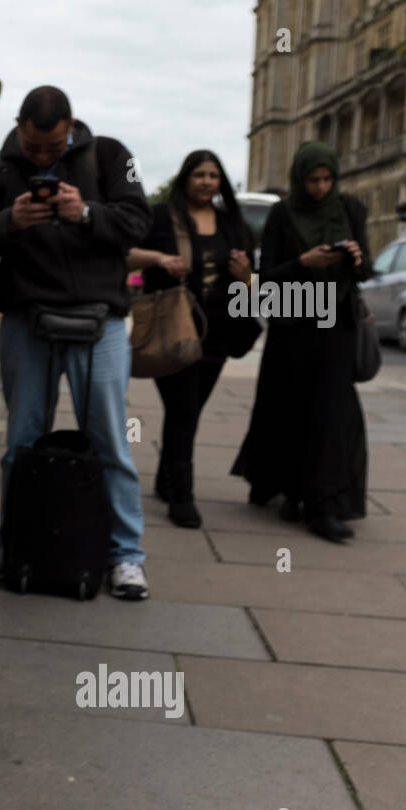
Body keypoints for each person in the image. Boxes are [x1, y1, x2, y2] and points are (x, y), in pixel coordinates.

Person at [0, 86, 152, 599]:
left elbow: (137, 223)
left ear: (71, 128)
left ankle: (126, 555)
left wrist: (85, 214)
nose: (42, 157)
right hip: (28, 320)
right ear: (19, 125)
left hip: (100, 322)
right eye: (35, 147)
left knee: (109, 441)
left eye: (53, 148)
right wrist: (10, 221)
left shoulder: (109, 155)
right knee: (21, 441)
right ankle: (13, 542)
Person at [231, 141, 373, 542]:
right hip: (294, 324)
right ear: (300, 178)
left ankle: (324, 504)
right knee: (290, 408)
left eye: (327, 179)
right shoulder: (282, 212)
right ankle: (291, 490)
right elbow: (266, 277)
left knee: (332, 412)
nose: (320, 188)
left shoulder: (350, 209)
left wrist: (357, 257)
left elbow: (367, 273)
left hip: (337, 327)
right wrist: (303, 263)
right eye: (313, 180)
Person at [126, 150, 255, 528]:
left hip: (218, 332)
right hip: (173, 328)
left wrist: (247, 275)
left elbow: (250, 279)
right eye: (199, 174)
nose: (206, 181)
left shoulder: (232, 222)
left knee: (190, 411)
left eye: (213, 175)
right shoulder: (162, 216)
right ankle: (182, 495)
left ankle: (168, 478)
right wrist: (159, 259)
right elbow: (125, 255)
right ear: (185, 178)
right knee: (183, 410)